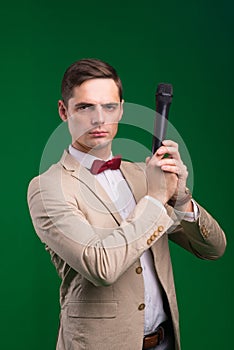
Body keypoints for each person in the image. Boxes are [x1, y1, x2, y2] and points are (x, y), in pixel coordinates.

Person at [27, 58, 226, 350]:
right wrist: (157, 199)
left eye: (109, 107)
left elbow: (213, 249)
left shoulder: (143, 176)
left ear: (121, 109)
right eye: (85, 107)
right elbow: (101, 267)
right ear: (63, 111)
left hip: (165, 341)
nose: (99, 119)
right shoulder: (47, 188)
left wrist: (182, 199)